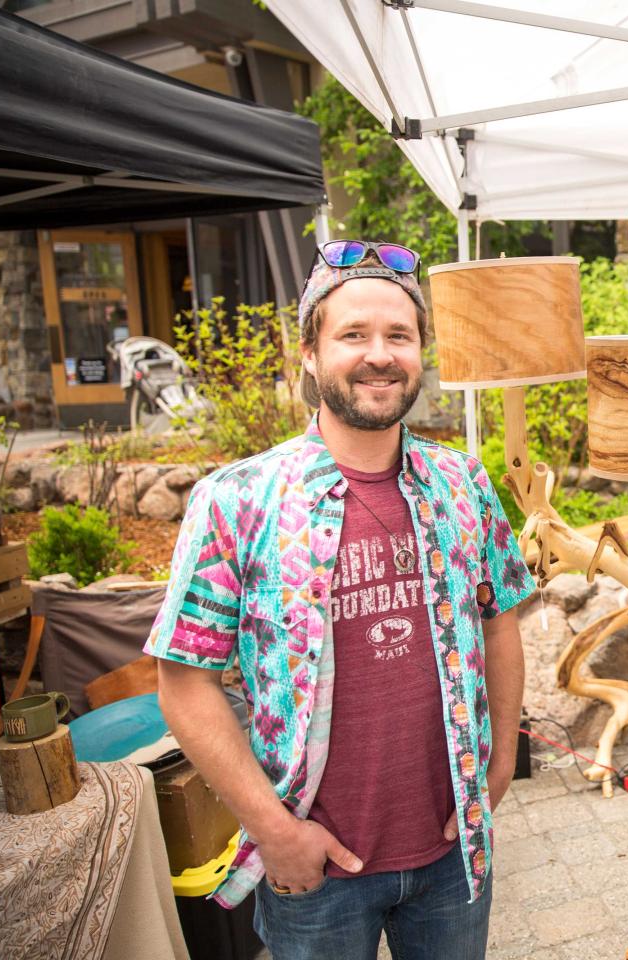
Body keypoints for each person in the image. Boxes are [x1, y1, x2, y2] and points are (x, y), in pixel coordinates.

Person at [146, 240, 533, 960]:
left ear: (421, 352)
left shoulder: (464, 485)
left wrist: (500, 760)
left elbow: (499, 623)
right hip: (314, 868)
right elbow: (183, 683)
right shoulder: (237, 501)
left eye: (399, 335)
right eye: (353, 334)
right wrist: (275, 831)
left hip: (451, 851)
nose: (379, 354)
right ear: (309, 353)